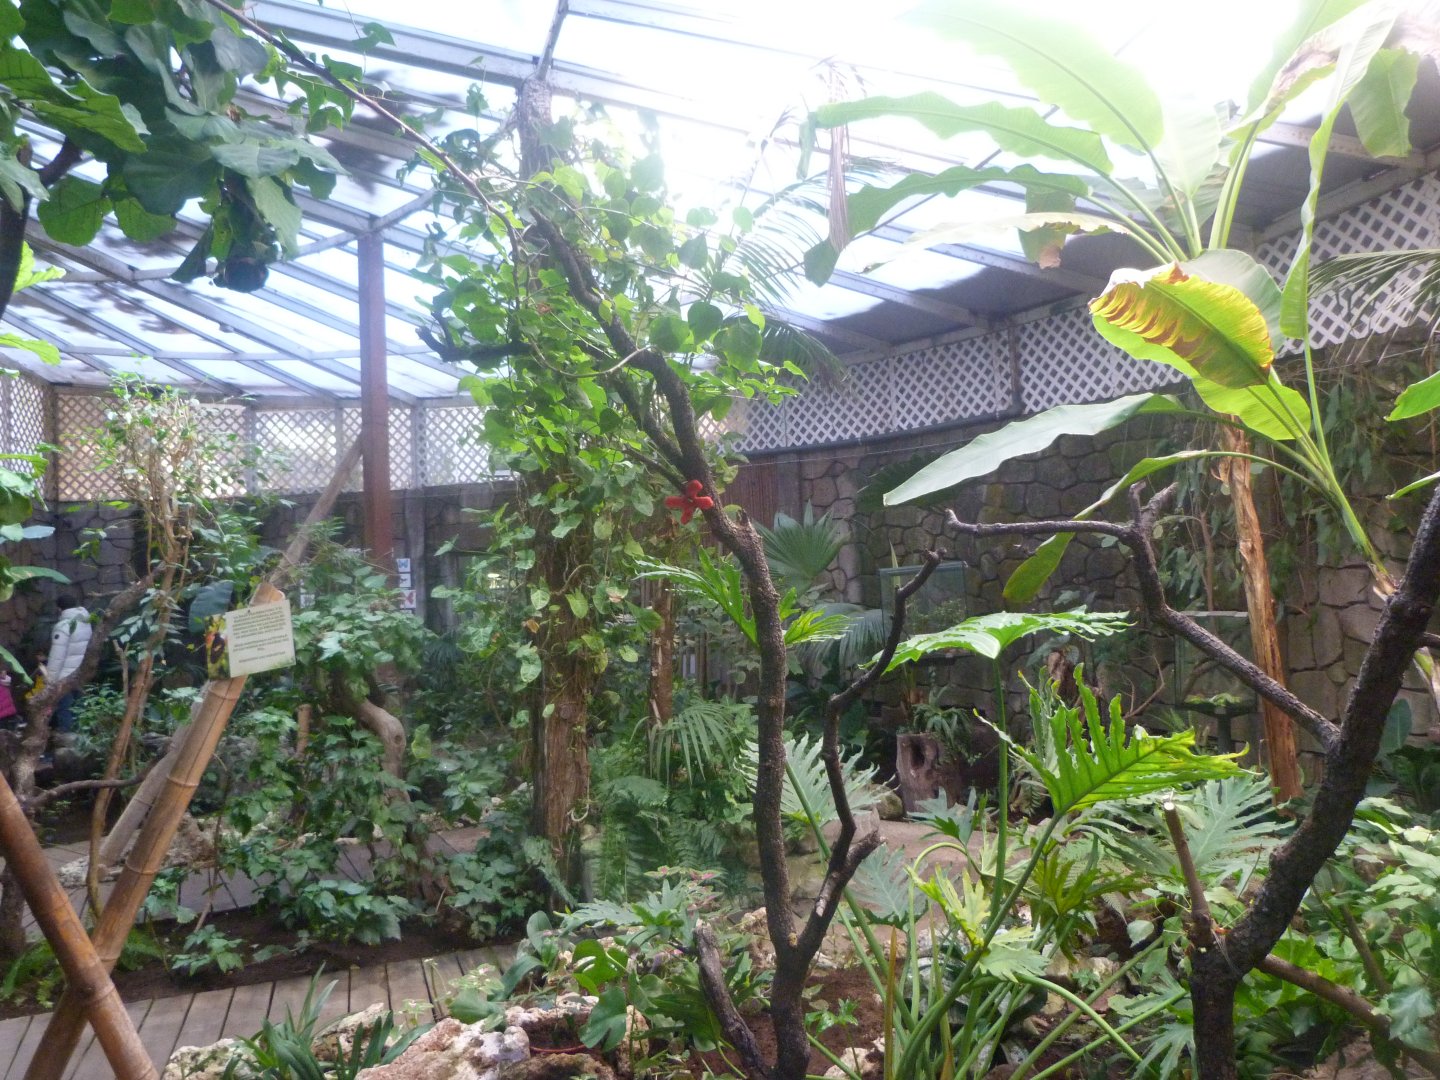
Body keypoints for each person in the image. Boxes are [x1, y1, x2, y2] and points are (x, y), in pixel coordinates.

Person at [46, 593, 91, 732]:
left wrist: (50, 680)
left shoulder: (63, 626)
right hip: (82, 671)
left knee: (64, 707)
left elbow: (57, 656)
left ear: (59, 609)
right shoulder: (86, 622)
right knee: (79, 707)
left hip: (65, 675)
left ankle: (65, 737)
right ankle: (81, 736)